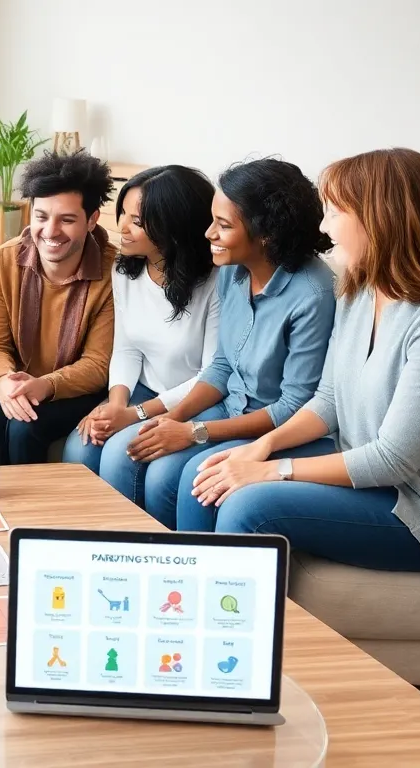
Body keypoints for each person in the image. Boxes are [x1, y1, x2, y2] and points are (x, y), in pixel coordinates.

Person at [188, 148, 420, 582]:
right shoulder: (362, 288)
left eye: (335, 212)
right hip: (362, 468)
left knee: (249, 506)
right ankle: (190, 607)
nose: (323, 226)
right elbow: (328, 399)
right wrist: (262, 445)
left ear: (381, 218)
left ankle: (230, 620)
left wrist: (270, 470)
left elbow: (393, 460)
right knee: (207, 472)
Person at [101, 158, 336, 526]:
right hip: (229, 406)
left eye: (223, 225)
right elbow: (223, 365)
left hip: (274, 426)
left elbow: (293, 405)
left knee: (175, 477)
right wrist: (171, 420)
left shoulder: (312, 294)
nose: (208, 233)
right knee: (128, 448)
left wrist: (193, 431)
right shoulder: (233, 271)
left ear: (266, 234)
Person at [61, 165, 219, 475]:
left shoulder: (217, 281)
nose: (121, 226)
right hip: (143, 389)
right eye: (122, 213)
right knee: (80, 447)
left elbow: (211, 374)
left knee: (121, 455)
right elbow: (126, 348)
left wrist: (136, 414)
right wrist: (116, 405)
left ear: (174, 227)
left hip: (195, 400)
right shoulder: (125, 269)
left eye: (136, 221)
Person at [0, 150, 117, 465]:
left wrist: (46, 385)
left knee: (26, 428)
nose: (50, 231)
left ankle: (31, 500)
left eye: (67, 219)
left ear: (92, 220)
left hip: (74, 389)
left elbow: (97, 364)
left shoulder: (112, 273)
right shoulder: (3, 261)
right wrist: (5, 380)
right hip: (12, 377)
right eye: (41, 217)